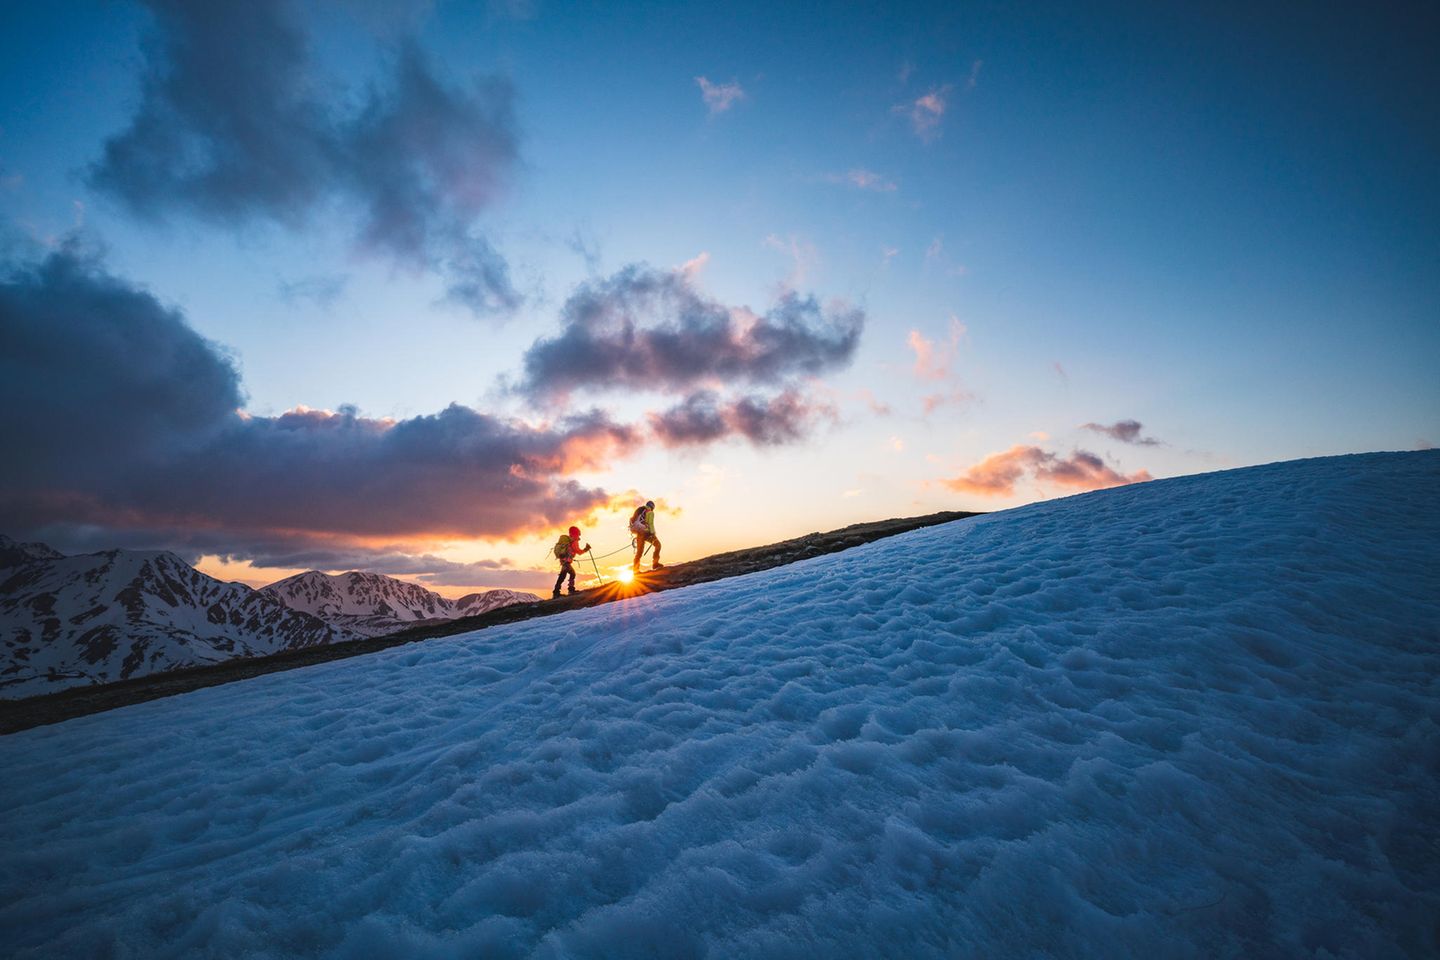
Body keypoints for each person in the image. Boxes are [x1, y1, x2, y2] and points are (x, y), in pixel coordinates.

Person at [552, 525, 590, 598]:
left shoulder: (568, 540)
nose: (579, 535)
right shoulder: (574, 541)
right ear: (577, 533)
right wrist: (586, 549)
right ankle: (569, 590)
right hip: (566, 562)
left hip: (563, 561)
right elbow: (578, 551)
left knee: (564, 576)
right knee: (569, 575)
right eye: (579, 533)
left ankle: (557, 592)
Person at [629, 500, 663, 572]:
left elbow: (633, 520)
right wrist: (653, 533)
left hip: (639, 533)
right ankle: (655, 564)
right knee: (658, 545)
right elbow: (650, 523)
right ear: (652, 507)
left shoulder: (639, 510)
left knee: (639, 552)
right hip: (647, 533)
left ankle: (635, 570)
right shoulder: (650, 512)